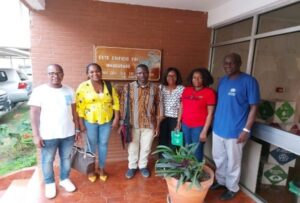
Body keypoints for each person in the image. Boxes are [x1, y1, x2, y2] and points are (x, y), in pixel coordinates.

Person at [211, 53, 260, 201]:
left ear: (239, 63)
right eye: (225, 63)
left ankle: (232, 187)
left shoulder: (249, 81)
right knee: (219, 158)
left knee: (233, 161)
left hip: (236, 131)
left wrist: (246, 130)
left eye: (231, 63)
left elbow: (254, 107)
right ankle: (221, 181)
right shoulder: (222, 81)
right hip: (219, 128)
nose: (228, 65)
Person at [29, 64, 79, 199]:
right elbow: (34, 114)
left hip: (68, 133)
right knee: (47, 160)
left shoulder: (69, 90)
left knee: (66, 159)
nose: (55, 76)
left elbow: (74, 112)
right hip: (48, 135)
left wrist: (77, 128)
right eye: (51, 73)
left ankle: (64, 179)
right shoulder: (39, 91)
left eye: (58, 73)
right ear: (47, 75)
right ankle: (50, 183)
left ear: (63, 74)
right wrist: (36, 135)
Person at [75, 63, 120, 182]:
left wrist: (116, 118)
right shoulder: (83, 87)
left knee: (103, 144)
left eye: (97, 71)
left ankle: (101, 168)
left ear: (101, 72)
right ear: (88, 74)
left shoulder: (108, 85)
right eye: (91, 72)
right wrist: (81, 124)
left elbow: (115, 102)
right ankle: (91, 169)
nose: (95, 74)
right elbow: (79, 107)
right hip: (90, 121)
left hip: (106, 121)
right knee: (91, 145)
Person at [119, 64, 163, 179]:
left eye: (144, 72)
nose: (142, 75)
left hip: (149, 124)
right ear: (136, 74)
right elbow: (122, 105)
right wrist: (122, 122)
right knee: (133, 147)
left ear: (148, 73)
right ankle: (132, 167)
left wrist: (158, 126)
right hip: (133, 124)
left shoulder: (155, 88)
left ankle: (143, 166)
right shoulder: (128, 87)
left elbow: (159, 106)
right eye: (139, 73)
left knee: (146, 147)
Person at [177, 68, 216, 161]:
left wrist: (204, 131)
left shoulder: (209, 93)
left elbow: (210, 114)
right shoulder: (186, 90)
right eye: (194, 77)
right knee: (187, 147)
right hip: (185, 124)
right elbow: (181, 107)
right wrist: (178, 122)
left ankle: (196, 173)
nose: (196, 80)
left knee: (197, 150)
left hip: (199, 127)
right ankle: (187, 170)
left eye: (200, 78)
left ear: (204, 79)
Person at [159, 67, 184, 149]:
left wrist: (178, 122)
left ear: (177, 77)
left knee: (175, 142)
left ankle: (173, 161)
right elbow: (158, 103)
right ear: (166, 77)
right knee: (162, 140)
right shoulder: (161, 88)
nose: (171, 78)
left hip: (175, 119)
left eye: (174, 76)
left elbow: (182, 106)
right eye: (169, 76)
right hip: (163, 119)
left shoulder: (181, 89)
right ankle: (162, 160)